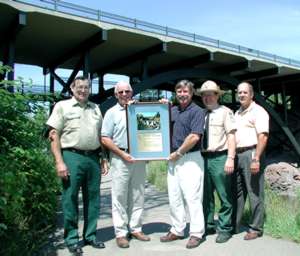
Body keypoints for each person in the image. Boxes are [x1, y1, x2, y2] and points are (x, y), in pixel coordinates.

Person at [46, 76, 108, 255]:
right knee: (70, 199)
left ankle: (90, 236)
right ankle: (72, 239)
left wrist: (103, 158)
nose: (83, 90)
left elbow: (101, 136)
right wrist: (59, 161)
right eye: (79, 87)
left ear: (90, 89)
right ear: (72, 89)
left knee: (94, 199)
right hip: (71, 156)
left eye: (86, 87)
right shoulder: (62, 106)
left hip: (93, 158)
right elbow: (53, 135)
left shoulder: (96, 108)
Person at [101, 81, 150, 249]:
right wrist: (122, 154)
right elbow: (105, 138)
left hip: (139, 157)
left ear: (131, 92)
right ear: (116, 95)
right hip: (120, 157)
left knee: (138, 195)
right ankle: (121, 233)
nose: (124, 94)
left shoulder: (140, 110)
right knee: (120, 197)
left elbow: (153, 127)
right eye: (120, 92)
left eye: (127, 91)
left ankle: (135, 228)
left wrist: (164, 105)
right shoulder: (111, 113)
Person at [160, 79, 206, 249]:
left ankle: (196, 233)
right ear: (176, 93)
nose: (182, 94)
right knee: (174, 196)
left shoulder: (198, 111)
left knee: (192, 197)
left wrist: (178, 153)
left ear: (192, 93)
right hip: (173, 159)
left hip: (189, 159)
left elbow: (194, 136)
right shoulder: (171, 110)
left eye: (185, 91)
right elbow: (157, 124)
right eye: (179, 91)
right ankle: (177, 229)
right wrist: (161, 108)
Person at [198, 80, 236, 243]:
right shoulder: (200, 114)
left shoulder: (225, 112)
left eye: (210, 94)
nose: (207, 98)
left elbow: (231, 136)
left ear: (217, 96)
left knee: (224, 195)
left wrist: (230, 158)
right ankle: (208, 225)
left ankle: (225, 228)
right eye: (204, 95)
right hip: (203, 158)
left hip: (220, 157)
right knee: (205, 195)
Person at [232, 81, 269, 240]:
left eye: (244, 92)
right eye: (239, 92)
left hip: (251, 153)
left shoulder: (258, 111)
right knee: (237, 192)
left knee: (254, 192)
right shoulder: (237, 113)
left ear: (251, 95)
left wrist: (256, 158)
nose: (241, 95)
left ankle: (255, 228)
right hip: (238, 155)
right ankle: (235, 224)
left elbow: (263, 136)